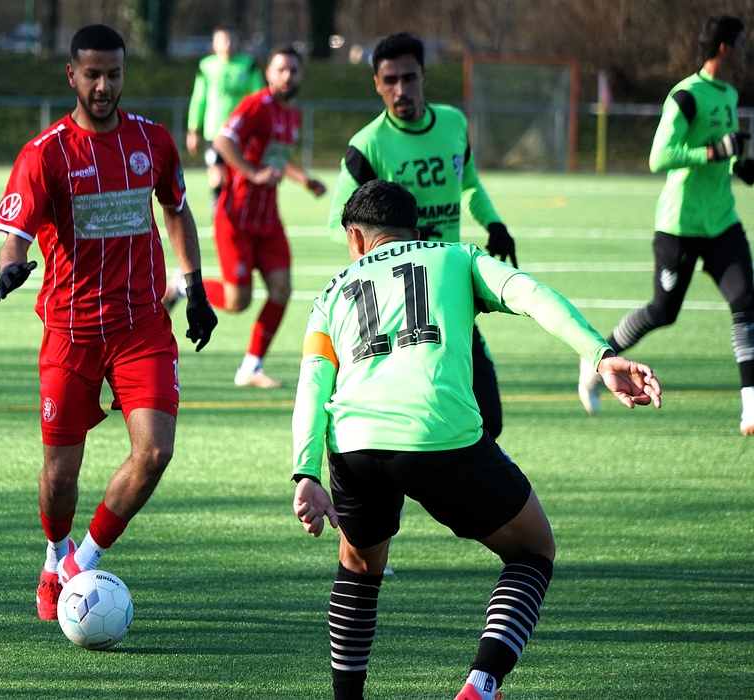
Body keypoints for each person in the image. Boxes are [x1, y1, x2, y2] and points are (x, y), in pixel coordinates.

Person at [291, 180, 662, 700]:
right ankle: (482, 685)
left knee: (359, 567)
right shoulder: (456, 256)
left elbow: (313, 384)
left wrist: (306, 472)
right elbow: (531, 295)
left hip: (354, 445)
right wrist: (600, 356)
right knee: (534, 549)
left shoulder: (330, 294)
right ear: (416, 231)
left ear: (354, 238)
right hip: (439, 434)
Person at [0, 24, 218, 622]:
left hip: (141, 327)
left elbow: (177, 211)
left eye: (113, 74)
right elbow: (14, 236)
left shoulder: (153, 141)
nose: (103, 86)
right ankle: (54, 552)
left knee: (155, 452)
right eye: (91, 74)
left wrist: (195, 288)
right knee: (59, 476)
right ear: (72, 74)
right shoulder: (45, 153)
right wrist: (11, 266)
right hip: (70, 333)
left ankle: (79, 564)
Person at [327, 33, 515, 438]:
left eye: (409, 78)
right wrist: (399, 240)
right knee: (405, 422)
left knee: (489, 418)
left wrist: (495, 224)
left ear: (424, 77)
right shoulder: (366, 146)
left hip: (449, 290)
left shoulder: (454, 124)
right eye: (390, 80)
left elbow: (469, 186)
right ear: (377, 84)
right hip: (400, 301)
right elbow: (336, 225)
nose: (401, 89)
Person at [578, 15, 754, 436]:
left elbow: (725, 150)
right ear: (725, 48)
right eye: (743, 43)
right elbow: (660, 156)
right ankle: (596, 358)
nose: (747, 50)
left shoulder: (729, 94)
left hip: (722, 222)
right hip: (679, 225)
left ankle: (751, 409)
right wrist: (711, 154)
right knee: (663, 311)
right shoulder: (686, 95)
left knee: (746, 302)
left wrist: (738, 164)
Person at [167, 45, 326, 388]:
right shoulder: (257, 105)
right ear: (268, 74)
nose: (287, 76)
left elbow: (276, 158)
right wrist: (253, 174)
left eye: (293, 70)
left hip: (268, 220)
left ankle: (251, 368)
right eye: (281, 69)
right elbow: (224, 141)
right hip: (236, 217)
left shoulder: (293, 115)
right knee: (237, 300)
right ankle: (180, 285)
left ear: (301, 75)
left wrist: (304, 179)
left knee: (281, 289)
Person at [186, 27, 263, 213]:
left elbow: (259, 98)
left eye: (230, 39)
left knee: (242, 174)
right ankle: (218, 211)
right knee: (216, 174)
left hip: (241, 133)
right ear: (214, 44)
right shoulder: (206, 66)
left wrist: (260, 125)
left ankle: (240, 211)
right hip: (214, 132)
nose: (227, 44)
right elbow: (199, 99)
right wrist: (193, 129)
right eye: (222, 40)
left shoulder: (248, 64)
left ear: (237, 42)